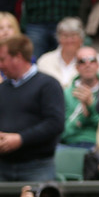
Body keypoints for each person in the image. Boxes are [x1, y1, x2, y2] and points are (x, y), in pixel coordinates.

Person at [0, 35, 65, 182]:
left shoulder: (48, 85)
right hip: (3, 167)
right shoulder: (2, 89)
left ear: (17, 57)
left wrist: (21, 139)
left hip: (37, 168)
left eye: (2, 59)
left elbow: (55, 123)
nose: (0, 65)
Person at [61, 46, 99, 149]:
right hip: (70, 145)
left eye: (92, 60)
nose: (88, 65)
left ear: (98, 65)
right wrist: (82, 118)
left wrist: (91, 106)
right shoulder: (67, 93)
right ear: (76, 67)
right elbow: (62, 132)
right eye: (82, 61)